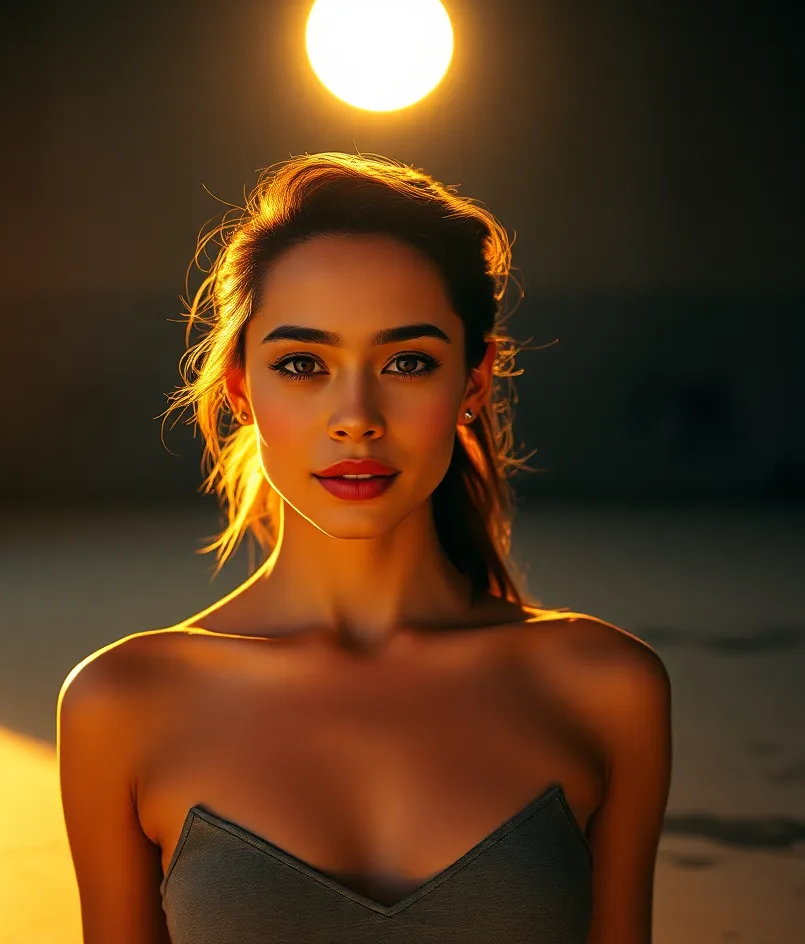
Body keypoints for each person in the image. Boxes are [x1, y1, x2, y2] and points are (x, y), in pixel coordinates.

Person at [57, 151, 672, 943]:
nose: (356, 415)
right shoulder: (121, 703)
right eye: (303, 364)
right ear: (243, 387)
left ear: (474, 381)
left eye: (407, 362)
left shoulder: (607, 687)